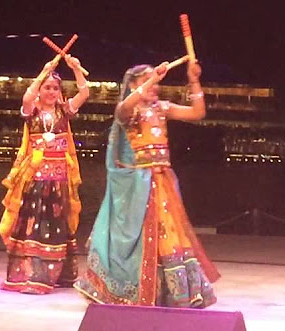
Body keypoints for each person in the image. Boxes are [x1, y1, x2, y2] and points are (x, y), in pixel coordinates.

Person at [76, 59, 218, 307]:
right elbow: (122, 109)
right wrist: (154, 77)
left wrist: (193, 79)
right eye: (147, 82)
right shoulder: (128, 111)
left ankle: (175, 293)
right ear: (132, 84)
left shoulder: (161, 108)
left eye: (156, 83)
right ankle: (134, 290)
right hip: (137, 186)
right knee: (138, 237)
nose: (155, 87)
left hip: (163, 183)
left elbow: (197, 113)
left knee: (170, 235)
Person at [0, 53, 88, 293]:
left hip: (58, 179)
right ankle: (31, 276)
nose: (51, 92)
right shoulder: (32, 111)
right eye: (47, 87)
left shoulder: (63, 111)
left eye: (55, 88)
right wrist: (44, 71)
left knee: (57, 226)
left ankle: (55, 275)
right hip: (36, 178)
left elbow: (85, 94)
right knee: (33, 226)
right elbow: (27, 95)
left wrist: (76, 69)